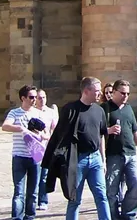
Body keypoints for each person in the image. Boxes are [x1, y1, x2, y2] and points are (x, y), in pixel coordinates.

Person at [46, 77, 111, 220]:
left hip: (95, 159)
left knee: (102, 196)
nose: (100, 94)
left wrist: (103, 159)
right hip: (77, 160)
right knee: (74, 199)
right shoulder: (71, 109)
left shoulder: (99, 110)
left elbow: (101, 135)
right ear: (86, 91)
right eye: (97, 91)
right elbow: (60, 136)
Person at [104, 80, 137, 220]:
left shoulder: (128, 108)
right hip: (113, 155)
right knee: (111, 190)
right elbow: (97, 131)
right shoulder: (105, 108)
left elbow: (135, 129)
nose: (125, 96)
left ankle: (128, 215)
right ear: (114, 92)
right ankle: (113, 217)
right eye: (122, 93)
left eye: (127, 94)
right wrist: (109, 130)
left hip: (131, 153)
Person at [3, 84, 41, 220]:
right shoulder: (14, 113)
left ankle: (30, 216)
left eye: (35, 97)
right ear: (23, 98)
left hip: (35, 155)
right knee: (19, 191)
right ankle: (17, 217)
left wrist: (38, 135)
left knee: (33, 191)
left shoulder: (38, 113)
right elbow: (5, 126)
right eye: (31, 97)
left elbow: (47, 133)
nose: (34, 100)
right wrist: (20, 128)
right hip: (19, 156)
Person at [34, 91, 57, 211]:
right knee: (35, 176)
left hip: (47, 147)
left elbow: (54, 128)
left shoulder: (50, 112)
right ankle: (32, 200)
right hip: (35, 148)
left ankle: (43, 200)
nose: (42, 100)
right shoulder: (32, 112)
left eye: (44, 97)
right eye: (39, 98)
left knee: (44, 175)